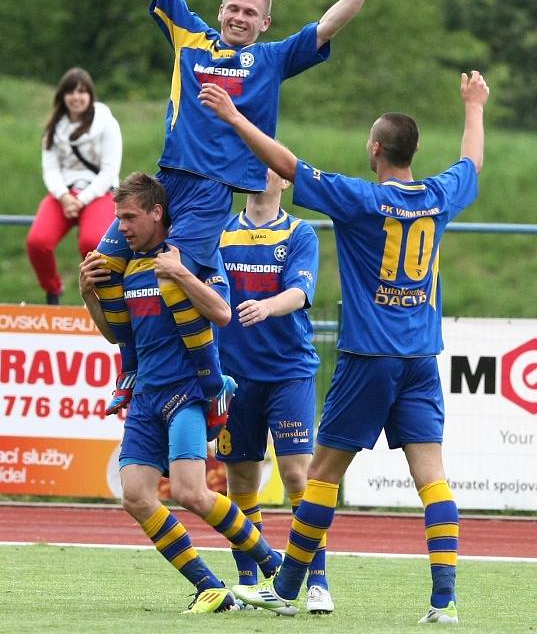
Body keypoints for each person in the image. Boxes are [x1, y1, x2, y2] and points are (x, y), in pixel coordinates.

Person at [95, 0, 397, 419]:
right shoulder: (190, 37)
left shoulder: (273, 60)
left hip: (211, 193)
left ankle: (211, 386)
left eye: (249, 13)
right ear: (221, 10)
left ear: (265, 24)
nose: (238, 17)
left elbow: (326, 27)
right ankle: (131, 365)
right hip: (166, 180)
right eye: (232, 8)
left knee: (171, 273)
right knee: (103, 267)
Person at [197, 70, 489, 623]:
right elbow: (472, 162)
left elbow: (288, 166)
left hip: (369, 358)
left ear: (375, 149)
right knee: (433, 477)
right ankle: (444, 600)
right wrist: (474, 106)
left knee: (324, 474)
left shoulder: (360, 200)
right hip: (421, 359)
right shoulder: (437, 195)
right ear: (414, 151)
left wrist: (235, 119)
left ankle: (286, 586)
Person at [79, 172, 282, 614]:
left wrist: (181, 273)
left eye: (130, 217)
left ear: (157, 213)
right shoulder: (127, 266)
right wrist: (89, 295)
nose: (123, 227)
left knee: (192, 492)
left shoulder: (194, 255)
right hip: (147, 396)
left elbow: (222, 313)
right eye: (119, 219)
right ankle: (210, 586)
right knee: (135, 496)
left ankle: (274, 564)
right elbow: (117, 335)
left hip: (186, 392)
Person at [216, 170, 333, 614]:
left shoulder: (299, 232)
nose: (259, 172)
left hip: (288, 371)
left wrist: (266, 305)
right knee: (241, 480)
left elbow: (301, 293)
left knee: (298, 476)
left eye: (270, 166)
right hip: (234, 376)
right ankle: (251, 580)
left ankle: (317, 580)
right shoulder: (222, 232)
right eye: (252, 163)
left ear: (285, 182)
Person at [27, 67, 121, 305]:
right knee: (38, 242)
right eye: (70, 91)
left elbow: (109, 171)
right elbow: (51, 169)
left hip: (98, 191)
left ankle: (99, 297)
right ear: (62, 96)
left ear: (90, 95)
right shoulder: (54, 127)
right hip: (64, 193)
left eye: (81, 91)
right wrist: (64, 197)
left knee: (92, 242)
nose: (76, 97)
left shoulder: (106, 123)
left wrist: (82, 199)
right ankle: (53, 290)